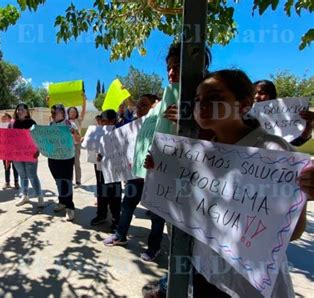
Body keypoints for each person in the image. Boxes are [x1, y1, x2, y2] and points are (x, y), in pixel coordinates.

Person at [145, 69, 312, 297]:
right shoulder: (201, 151)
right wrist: (161, 169)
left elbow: (292, 232)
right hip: (204, 272)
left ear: (243, 104)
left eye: (214, 97)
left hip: (247, 286)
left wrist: (302, 193)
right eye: (197, 100)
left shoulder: (274, 151)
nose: (202, 105)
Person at [103, 95, 164, 263]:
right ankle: (120, 235)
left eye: (144, 105)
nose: (139, 109)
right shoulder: (133, 126)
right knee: (128, 205)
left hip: (155, 176)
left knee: (157, 214)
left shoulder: (164, 123)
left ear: (155, 107)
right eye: (138, 105)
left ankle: (154, 247)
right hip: (135, 175)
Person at [254, 79, 313, 146]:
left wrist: (309, 124)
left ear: (271, 95)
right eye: (253, 93)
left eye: (262, 93)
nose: (256, 96)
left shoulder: (285, 116)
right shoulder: (244, 116)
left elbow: (298, 142)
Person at [90, 109, 122, 230]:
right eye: (102, 121)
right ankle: (101, 215)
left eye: (106, 121)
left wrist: (106, 154)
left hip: (114, 170)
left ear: (113, 121)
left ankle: (116, 219)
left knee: (114, 195)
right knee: (101, 191)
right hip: (99, 168)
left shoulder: (120, 133)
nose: (103, 123)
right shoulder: (97, 133)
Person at [48, 104, 79, 221]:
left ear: (63, 112)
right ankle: (62, 201)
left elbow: (77, 140)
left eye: (59, 111)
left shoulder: (70, 124)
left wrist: (73, 133)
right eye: (54, 111)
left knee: (66, 182)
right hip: (53, 158)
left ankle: (70, 206)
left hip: (66, 158)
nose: (57, 113)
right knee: (58, 181)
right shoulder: (50, 125)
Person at [10, 103, 44, 208]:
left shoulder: (31, 122)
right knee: (23, 176)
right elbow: (7, 138)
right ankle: (25, 196)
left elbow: (38, 137)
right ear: (16, 111)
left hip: (30, 153)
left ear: (27, 112)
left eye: (23, 109)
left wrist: (38, 149)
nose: (20, 111)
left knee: (32, 176)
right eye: (18, 109)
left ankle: (40, 196)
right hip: (16, 154)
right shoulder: (12, 123)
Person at [67, 93, 87, 188]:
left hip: (76, 144)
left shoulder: (78, 120)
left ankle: (78, 181)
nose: (73, 113)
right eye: (71, 111)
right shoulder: (65, 121)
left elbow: (83, 110)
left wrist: (84, 100)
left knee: (76, 163)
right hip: (67, 145)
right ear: (68, 113)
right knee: (68, 164)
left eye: (74, 111)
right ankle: (69, 180)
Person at [1, 113, 19, 190]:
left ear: (9, 117)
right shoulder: (0, 126)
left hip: (14, 149)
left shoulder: (13, 123)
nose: (2, 119)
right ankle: (7, 182)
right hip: (5, 150)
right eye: (2, 118)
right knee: (6, 167)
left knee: (15, 167)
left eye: (4, 117)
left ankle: (16, 182)